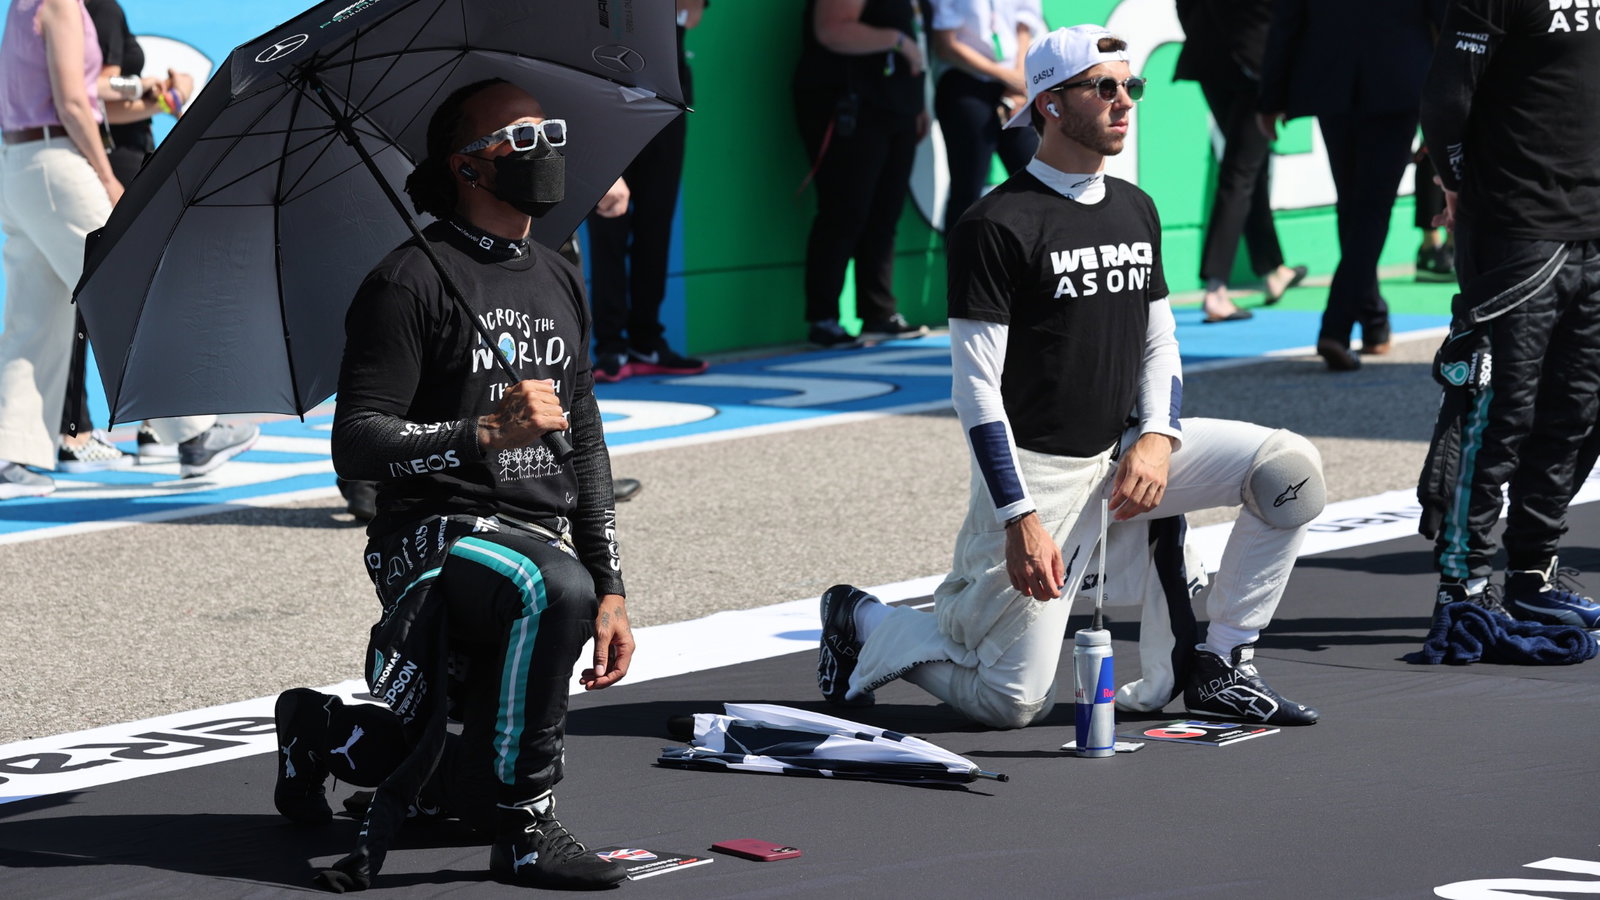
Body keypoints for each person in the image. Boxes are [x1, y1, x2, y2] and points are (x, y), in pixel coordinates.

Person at [816, 26, 1326, 730]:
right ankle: (862, 620)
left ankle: (1223, 663)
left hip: (1123, 462)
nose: (1125, 101)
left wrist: (1157, 435)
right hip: (1040, 480)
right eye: (1105, 86)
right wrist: (1018, 518)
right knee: (1011, 701)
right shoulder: (994, 223)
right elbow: (975, 390)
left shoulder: (1135, 207)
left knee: (1289, 472)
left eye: (1131, 86)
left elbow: (1161, 343)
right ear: (1051, 105)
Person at [275, 79, 635, 891]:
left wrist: (614, 585)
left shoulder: (559, 273)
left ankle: (319, 731)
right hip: (432, 539)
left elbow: (584, 438)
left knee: (422, 769)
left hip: (533, 536)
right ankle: (526, 830)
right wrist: (480, 434)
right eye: (520, 137)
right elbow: (356, 444)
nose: (546, 148)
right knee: (554, 587)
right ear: (467, 167)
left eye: (551, 130)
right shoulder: (408, 280)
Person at [1416, 0, 1600, 630]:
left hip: (1591, 227)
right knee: (1499, 411)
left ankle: (1533, 573)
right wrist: (1456, 181)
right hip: (1518, 230)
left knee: (1576, 409)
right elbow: (1445, 101)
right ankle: (1463, 585)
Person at [53, 0, 258, 476]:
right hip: (112, 165)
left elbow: (100, 91)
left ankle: (148, 425)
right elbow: (100, 94)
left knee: (83, 304)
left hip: (106, 162)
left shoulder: (89, 11)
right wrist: (155, 91)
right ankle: (143, 429)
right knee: (121, 299)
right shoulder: (94, 9)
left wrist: (153, 95)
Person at [1259, 0, 1446, 371]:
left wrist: (1271, 97)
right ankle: (1337, 327)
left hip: (1334, 82)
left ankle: (1375, 320)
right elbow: (1445, 22)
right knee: (1369, 211)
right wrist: (1447, 107)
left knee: (1355, 208)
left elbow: (1287, 20)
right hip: (1397, 80)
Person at [794, 0, 933, 348]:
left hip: (896, 105)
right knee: (844, 211)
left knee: (885, 214)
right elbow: (831, 30)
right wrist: (899, 43)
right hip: (851, 105)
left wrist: (916, 105)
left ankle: (878, 312)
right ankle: (824, 319)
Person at [586, 0, 709, 383]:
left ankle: (646, 339)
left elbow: (693, 14)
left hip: (666, 105)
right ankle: (610, 346)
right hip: (603, 101)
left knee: (655, 228)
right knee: (608, 226)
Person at [1173, 0, 1306, 323]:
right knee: (1241, 172)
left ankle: (1272, 268)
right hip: (1254, 65)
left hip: (1211, 59)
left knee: (1248, 167)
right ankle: (1216, 289)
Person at [929, 0, 1039, 229]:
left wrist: (1018, 78)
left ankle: (1037, 260)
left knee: (1036, 181)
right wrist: (1004, 75)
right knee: (968, 189)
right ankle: (963, 263)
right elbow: (945, 44)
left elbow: (1025, 23)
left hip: (1013, 82)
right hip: (964, 80)